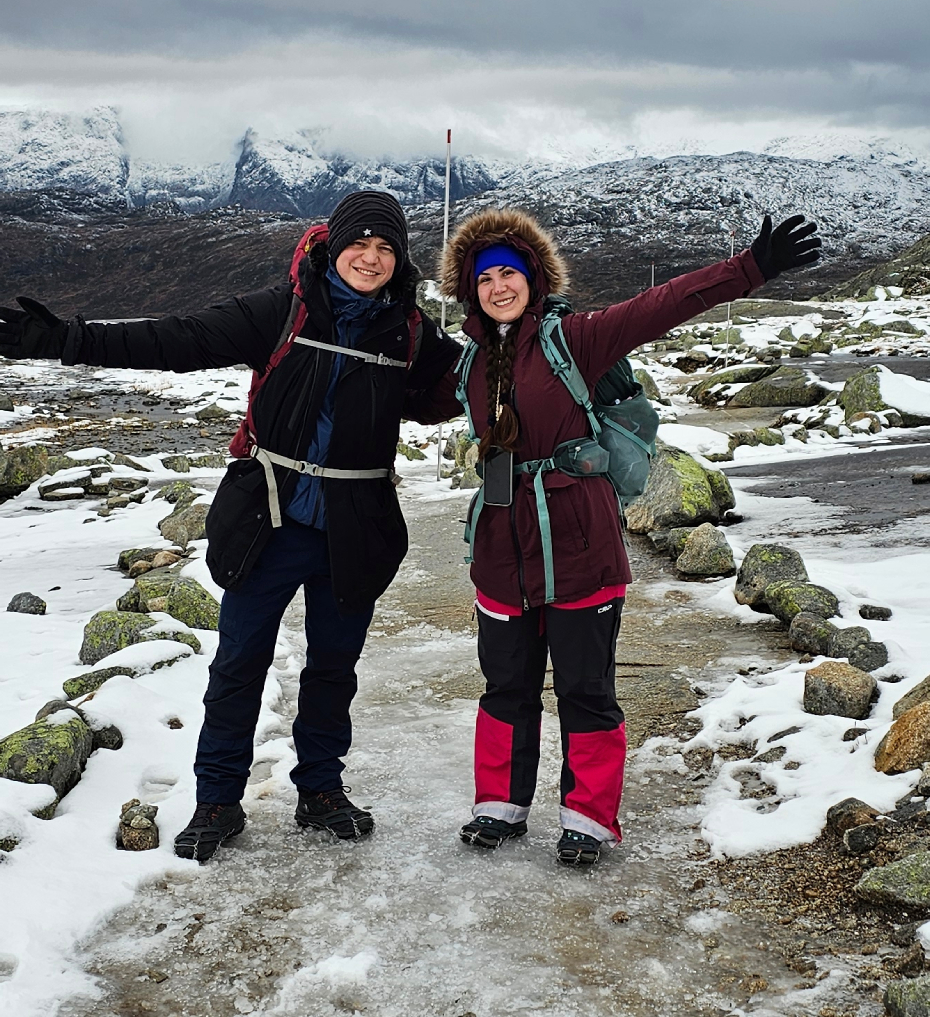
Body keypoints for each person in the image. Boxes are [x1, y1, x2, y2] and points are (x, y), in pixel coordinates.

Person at [0, 190, 460, 861]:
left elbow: (464, 386)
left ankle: (321, 790)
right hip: (271, 520)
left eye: (385, 248)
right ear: (332, 246)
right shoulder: (282, 310)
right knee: (239, 665)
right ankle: (217, 801)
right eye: (359, 243)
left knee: (335, 668)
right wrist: (65, 339)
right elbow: (175, 338)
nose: (370, 257)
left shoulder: (409, 332)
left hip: (356, 525)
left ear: (400, 260)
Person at [438, 209, 821, 866]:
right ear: (469, 290)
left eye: (510, 272)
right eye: (485, 277)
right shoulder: (471, 361)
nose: (498, 285)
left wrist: (750, 268)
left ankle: (587, 817)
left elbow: (660, 305)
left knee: (585, 688)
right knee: (507, 685)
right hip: (504, 543)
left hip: (579, 541)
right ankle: (499, 805)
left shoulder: (577, 341)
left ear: (533, 277)